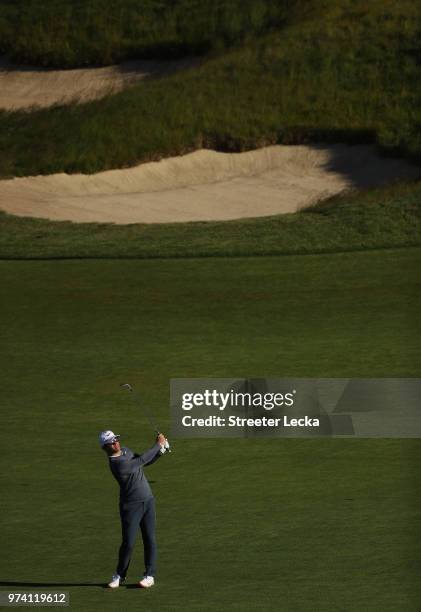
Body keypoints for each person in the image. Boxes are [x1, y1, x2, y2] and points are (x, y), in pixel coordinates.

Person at [99, 429, 168, 589]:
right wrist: (158, 444)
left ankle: (150, 575)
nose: (116, 443)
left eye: (116, 439)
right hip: (131, 506)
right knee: (128, 542)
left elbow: (146, 462)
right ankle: (119, 575)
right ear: (105, 447)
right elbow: (141, 460)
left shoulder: (126, 451)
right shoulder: (117, 464)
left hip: (148, 500)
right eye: (111, 442)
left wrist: (160, 452)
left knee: (149, 539)